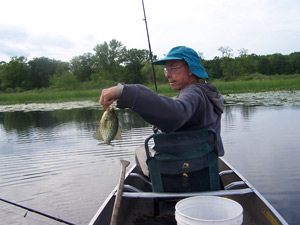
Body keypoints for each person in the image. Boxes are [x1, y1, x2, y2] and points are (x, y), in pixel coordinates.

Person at [99, 46, 224, 176]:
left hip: (185, 170)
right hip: (204, 166)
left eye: (173, 68)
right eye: (166, 69)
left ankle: (154, 187)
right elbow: (184, 121)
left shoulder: (192, 93)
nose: (167, 74)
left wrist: (126, 92)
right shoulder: (206, 92)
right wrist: (160, 119)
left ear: (191, 69)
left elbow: (176, 114)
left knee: (140, 151)